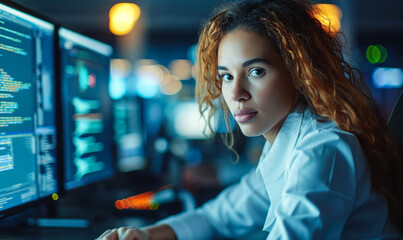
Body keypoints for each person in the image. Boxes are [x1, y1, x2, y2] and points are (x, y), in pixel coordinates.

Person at [97, 0, 403, 239]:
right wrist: (143, 234)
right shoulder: (283, 146)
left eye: (256, 71)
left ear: (298, 73)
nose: (236, 93)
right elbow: (218, 217)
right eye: (226, 76)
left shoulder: (321, 150)